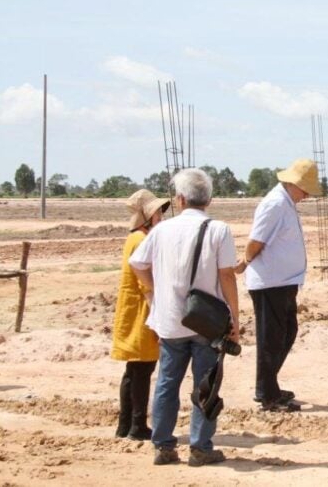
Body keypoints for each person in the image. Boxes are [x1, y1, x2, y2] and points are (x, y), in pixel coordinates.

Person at [129, 168, 239, 467]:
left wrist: (156, 289)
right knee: (206, 385)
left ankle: (163, 447)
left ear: (179, 199)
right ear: (210, 199)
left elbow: (137, 263)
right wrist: (236, 319)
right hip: (207, 323)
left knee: (167, 383)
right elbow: (227, 276)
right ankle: (200, 447)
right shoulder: (219, 229)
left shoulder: (162, 230)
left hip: (169, 320)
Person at [237, 158, 318, 412]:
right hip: (270, 283)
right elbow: (256, 240)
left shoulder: (286, 202)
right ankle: (267, 393)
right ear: (293, 183)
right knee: (271, 339)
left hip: (284, 282)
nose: (306, 195)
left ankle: (269, 385)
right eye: (305, 190)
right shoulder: (274, 204)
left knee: (286, 333)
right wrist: (245, 262)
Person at [111, 189, 169, 440]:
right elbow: (146, 281)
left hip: (132, 309)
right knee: (143, 369)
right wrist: (157, 313)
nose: (161, 215)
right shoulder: (142, 239)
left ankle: (125, 425)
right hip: (142, 310)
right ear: (147, 214)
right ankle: (137, 426)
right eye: (158, 211)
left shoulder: (134, 237)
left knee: (133, 370)